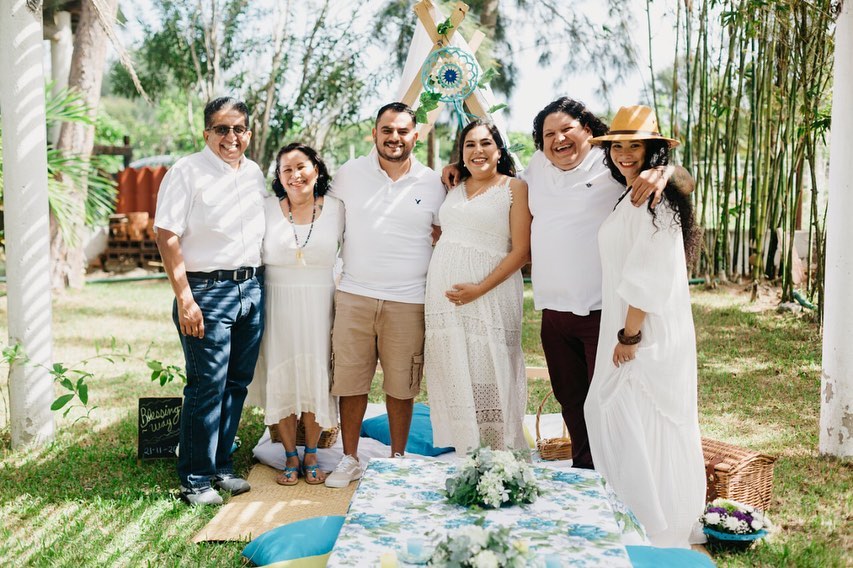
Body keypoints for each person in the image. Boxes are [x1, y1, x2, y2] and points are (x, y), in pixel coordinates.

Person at [443, 97, 687, 469]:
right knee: (570, 400)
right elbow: (497, 183)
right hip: (553, 313)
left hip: (601, 312)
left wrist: (668, 172)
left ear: (588, 130)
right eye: (548, 134)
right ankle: (583, 469)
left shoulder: (612, 164)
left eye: (566, 130)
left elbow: (683, 181)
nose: (558, 140)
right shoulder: (537, 169)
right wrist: (457, 168)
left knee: (608, 400)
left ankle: (617, 475)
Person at [585, 105, 705, 547]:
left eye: (635, 145)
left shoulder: (656, 195)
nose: (624, 154)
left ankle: (656, 525)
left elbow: (648, 270)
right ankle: (632, 514)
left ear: (653, 149)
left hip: (644, 329)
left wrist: (629, 336)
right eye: (617, 146)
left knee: (631, 414)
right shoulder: (632, 192)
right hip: (629, 322)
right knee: (614, 412)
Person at [324, 102, 446, 488]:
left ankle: (397, 459)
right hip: (355, 293)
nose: (394, 137)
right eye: (387, 130)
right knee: (350, 381)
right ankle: (349, 458)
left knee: (401, 384)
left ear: (416, 135)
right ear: (374, 133)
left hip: (409, 299)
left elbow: (443, 234)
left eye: (402, 131)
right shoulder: (349, 174)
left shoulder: (433, 182)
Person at [155, 96, 266, 505]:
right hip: (206, 291)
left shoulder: (254, 173)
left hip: (251, 288)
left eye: (238, 129)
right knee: (207, 386)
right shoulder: (187, 171)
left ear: (248, 134)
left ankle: (220, 467)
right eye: (222, 129)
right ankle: (196, 480)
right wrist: (185, 298)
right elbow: (166, 234)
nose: (231, 137)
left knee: (237, 383)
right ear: (207, 133)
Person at [424, 120, 531, 453]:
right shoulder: (454, 186)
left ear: (499, 150)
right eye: (469, 144)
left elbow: (521, 251)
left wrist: (479, 288)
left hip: (491, 296)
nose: (478, 150)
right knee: (458, 370)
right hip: (445, 301)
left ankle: (500, 455)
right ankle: (468, 452)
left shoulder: (514, 188)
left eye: (485, 143)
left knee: (493, 369)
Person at [248, 143, 343, 486]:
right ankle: (290, 455)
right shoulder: (266, 209)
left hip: (321, 304)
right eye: (286, 169)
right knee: (283, 376)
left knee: (317, 375)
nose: (295, 175)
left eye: (301, 166)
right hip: (277, 303)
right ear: (278, 177)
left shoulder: (336, 209)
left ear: (316, 169)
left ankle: (313, 453)